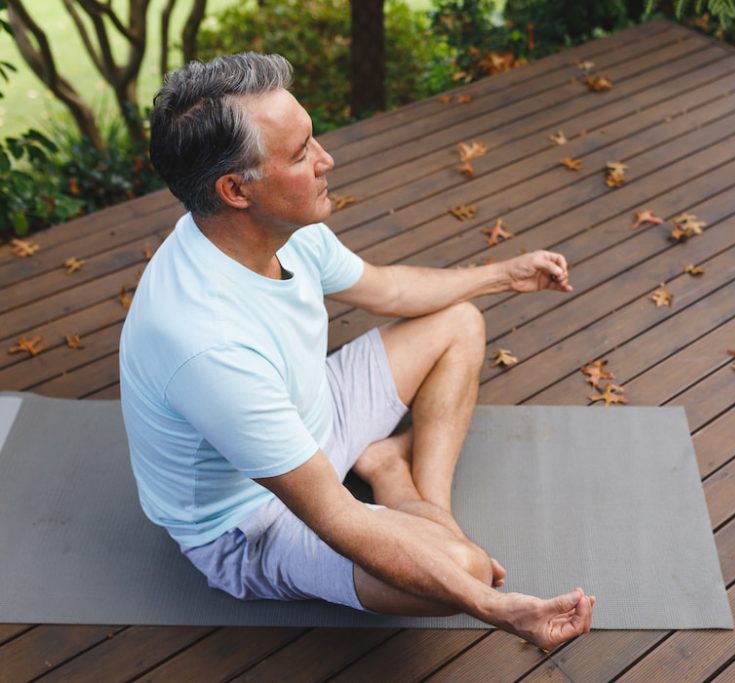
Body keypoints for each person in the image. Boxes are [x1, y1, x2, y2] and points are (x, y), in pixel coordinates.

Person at [118, 52, 595, 649]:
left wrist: (505, 274)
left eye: (312, 138)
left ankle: (417, 494)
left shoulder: (285, 228)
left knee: (459, 322)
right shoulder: (206, 345)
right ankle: (393, 476)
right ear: (236, 189)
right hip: (252, 519)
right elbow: (331, 512)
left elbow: (390, 289)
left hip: (317, 412)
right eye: (299, 154)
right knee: (465, 572)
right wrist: (494, 607)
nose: (326, 160)